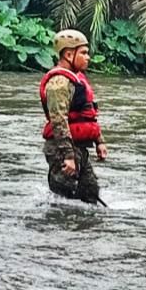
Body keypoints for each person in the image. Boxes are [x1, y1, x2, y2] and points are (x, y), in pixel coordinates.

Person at [40, 29, 108, 204]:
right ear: (69, 54)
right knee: (63, 197)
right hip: (62, 150)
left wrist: (99, 141)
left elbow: (88, 113)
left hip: (79, 148)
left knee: (91, 192)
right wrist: (68, 156)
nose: (88, 57)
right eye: (83, 53)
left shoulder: (77, 79)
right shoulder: (58, 84)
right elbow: (58, 121)